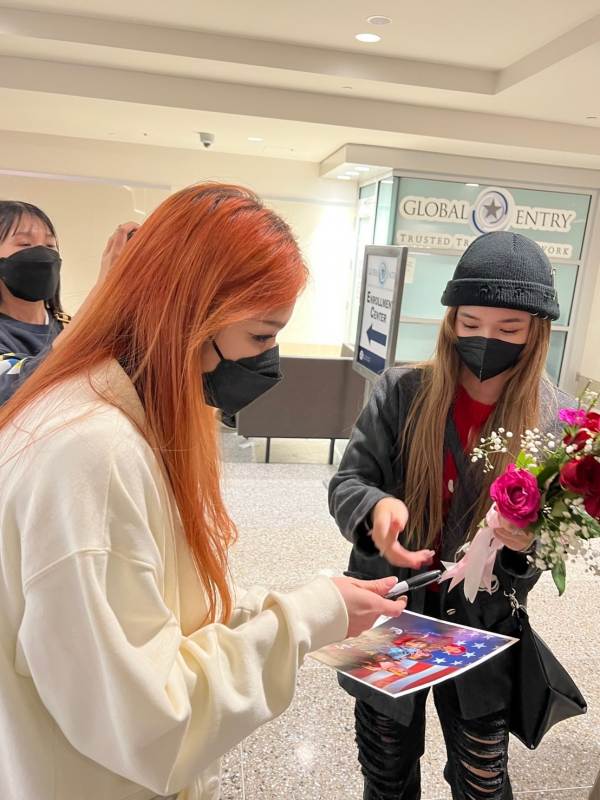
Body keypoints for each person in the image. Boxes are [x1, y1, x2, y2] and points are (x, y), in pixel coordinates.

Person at [0, 183, 405, 800]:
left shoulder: (99, 410)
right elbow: (151, 722)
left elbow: (156, 605)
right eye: (261, 337)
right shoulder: (93, 456)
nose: (268, 361)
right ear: (187, 318)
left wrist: (307, 604)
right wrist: (303, 619)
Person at [329, 231, 571, 800]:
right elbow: (349, 482)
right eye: (470, 322)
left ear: (536, 331)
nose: (487, 339)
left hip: (482, 626)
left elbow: (557, 535)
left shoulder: (554, 418)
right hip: (390, 608)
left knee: (482, 778)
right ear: (450, 320)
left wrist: (524, 546)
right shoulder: (401, 391)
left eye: (509, 328)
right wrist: (377, 509)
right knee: (385, 770)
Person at [0, 200, 136, 403]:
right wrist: (105, 287)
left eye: (50, 245)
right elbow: (18, 388)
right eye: (25, 244)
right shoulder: (74, 331)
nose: (43, 254)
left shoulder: (66, 325)